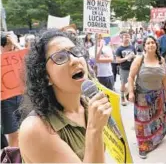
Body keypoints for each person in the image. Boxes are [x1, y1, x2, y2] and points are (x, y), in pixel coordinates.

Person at [18, 29, 112, 163]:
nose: (75, 60)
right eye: (60, 57)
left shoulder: (87, 103)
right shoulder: (35, 129)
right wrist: (94, 130)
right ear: (45, 76)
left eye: (76, 52)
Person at [128, 36, 166, 159]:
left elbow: (165, 77)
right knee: (143, 123)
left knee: (157, 119)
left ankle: (156, 140)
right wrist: (131, 92)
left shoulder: (161, 60)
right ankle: (143, 147)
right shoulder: (139, 60)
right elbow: (130, 77)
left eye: (153, 42)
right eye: (148, 43)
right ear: (144, 46)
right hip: (142, 96)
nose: (150, 45)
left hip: (158, 95)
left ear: (156, 45)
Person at [1, 32, 23, 147]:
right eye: (10, 45)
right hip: (5, 101)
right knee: (14, 135)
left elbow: (28, 57)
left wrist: (16, 44)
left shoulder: (16, 57)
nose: (13, 48)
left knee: (24, 131)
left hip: (20, 97)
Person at [116, 30, 136, 106]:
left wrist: (134, 56)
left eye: (128, 37)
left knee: (133, 83)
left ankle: (131, 96)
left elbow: (135, 57)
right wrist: (126, 58)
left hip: (132, 68)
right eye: (125, 37)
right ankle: (122, 97)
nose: (127, 38)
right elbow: (117, 60)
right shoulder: (119, 49)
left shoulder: (132, 47)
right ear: (122, 38)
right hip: (124, 69)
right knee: (123, 84)